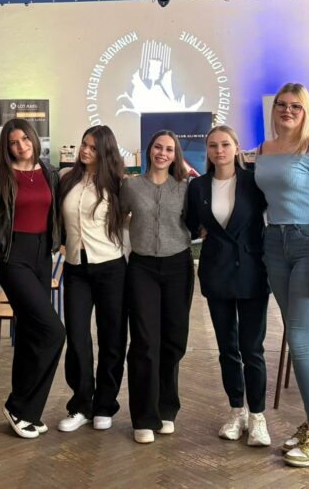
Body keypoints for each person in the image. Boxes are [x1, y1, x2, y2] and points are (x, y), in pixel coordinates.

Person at [256, 83, 309, 467]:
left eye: (296, 106)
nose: (287, 111)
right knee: (304, 338)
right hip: (275, 244)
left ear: (306, 111)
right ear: (274, 109)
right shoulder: (265, 149)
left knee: (301, 341)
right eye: (282, 105)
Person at [185, 125, 270, 447]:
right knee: (227, 349)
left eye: (224, 144)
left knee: (253, 349)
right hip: (217, 273)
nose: (219, 150)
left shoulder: (254, 182)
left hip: (252, 272)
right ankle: (237, 411)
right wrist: (201, 231)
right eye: (213, 145)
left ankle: (258, 417)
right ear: (207, 151)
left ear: (236, 148)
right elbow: (191, 224)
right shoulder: (198, 186)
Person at [0, 118, 66, 439]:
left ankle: (23, 410)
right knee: (53, 330)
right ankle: (20, 405)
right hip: (12, 256)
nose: (20, 146)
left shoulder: (48, 172)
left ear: (33, 138)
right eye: (13, 142)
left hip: (42, 255)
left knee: (32, 332)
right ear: (7, 147)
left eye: (24, 139)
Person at [121, 130, 194, 444]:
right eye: (158, 147)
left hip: (178, 266)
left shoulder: (185, 188)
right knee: (144, 341)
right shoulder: (131, 186)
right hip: (142, 268)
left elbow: (197, 220)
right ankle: (143, 417)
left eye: (169, 149)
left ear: (176, 155)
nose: (162, 153)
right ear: (149, 150)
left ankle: (166, 409)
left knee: (173, 340)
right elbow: (117, 216)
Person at [57, 125, 127, 433]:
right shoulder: (67, 179)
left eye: (93, 147)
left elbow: (130, 221)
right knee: (77, 337)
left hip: (111, 267)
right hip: (75, 268)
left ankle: (105, 405)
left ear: (105, 152)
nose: (85, 151)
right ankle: (81, 405)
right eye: (84, 144)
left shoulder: (118, 184)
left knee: (112, 338)